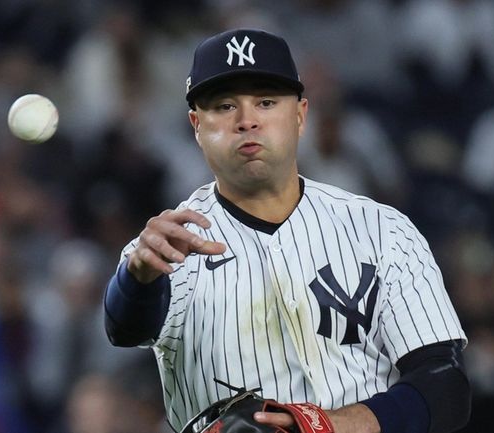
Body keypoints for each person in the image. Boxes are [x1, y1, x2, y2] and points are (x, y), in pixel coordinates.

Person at [103, 28, 471, 433]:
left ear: (299, 115)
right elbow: (125, 326)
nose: (246, 121)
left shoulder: (383, 231)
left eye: (265, 102)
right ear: (196, 124)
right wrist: (138, 275)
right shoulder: (168, 243)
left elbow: (445, 388)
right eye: (224, 106)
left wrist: (327, 426)